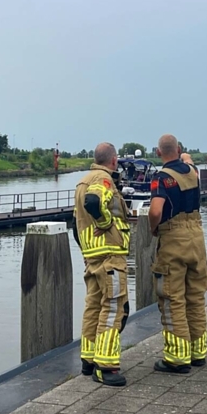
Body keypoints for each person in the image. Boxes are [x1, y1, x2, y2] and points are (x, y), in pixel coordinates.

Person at [148, 135, 207, 373]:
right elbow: (189, 160)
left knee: (172, 297)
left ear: (158, 151)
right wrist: (185, 156)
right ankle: (198, 352)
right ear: (179, 149)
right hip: (196, 237)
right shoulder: (192, 172)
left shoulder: (161, 178)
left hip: (174, 238)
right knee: (195, 297)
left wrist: (153, 227)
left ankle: (177, 358)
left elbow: (156, 210)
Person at [73, 142, 132, 386]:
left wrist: (86, 250)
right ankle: (106, 366)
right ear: (114, 161)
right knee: (113, 308)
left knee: (94, 306)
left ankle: (88, 359)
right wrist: (107, 223)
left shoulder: (83, 180)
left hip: (93, 255)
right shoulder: (103, 179)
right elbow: (93, 202)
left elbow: (76, 221)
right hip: (109, 255)